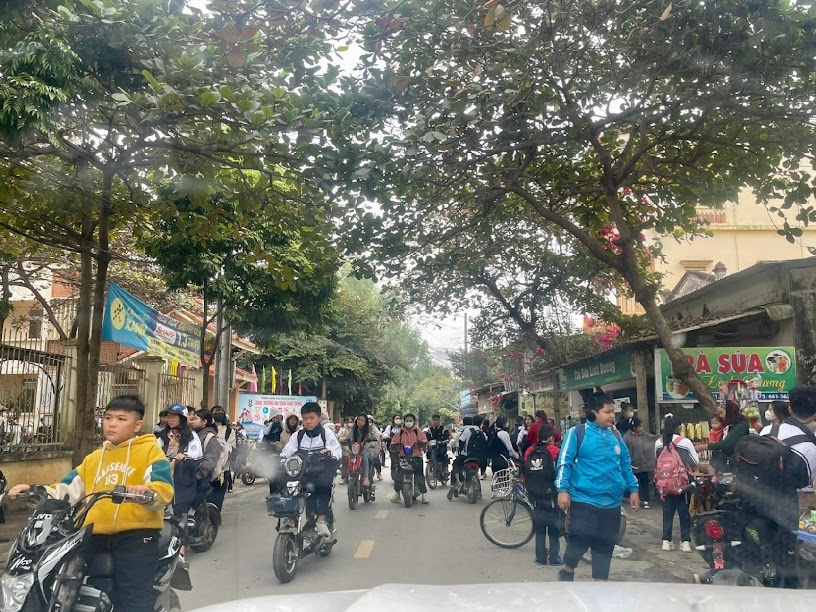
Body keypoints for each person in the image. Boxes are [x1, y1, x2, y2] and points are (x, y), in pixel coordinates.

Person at [10, 396, 174, 612]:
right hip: (93, 533)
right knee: (57, 580)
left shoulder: (150, 451)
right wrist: (35, 490)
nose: (111, 424)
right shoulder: (94, 458)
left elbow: (163, 488)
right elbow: (66, 489)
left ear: (137, 425)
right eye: (108, 418)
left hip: (136, 535)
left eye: (121, 419)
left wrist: (147, 492)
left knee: (134, 596)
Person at [555, 392, 640, 582]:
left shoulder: (615, 435)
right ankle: (568, 570)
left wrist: (633, 489)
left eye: (613, 412)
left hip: (612, 503)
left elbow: (625, 464)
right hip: (584, 499)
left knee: (605, 545)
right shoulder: (577, 433)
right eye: (607, 412)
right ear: (594, 412)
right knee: (580, 538)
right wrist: (562, 490)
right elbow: (564, 463)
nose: (612, 416)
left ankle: (600, 584)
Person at [753, 387, 816, 588]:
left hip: (754, 501)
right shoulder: (810, 447)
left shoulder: (766, 431)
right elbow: (804, 483)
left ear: (789, 408)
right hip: (785, 510)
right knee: (786, 559)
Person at [279, 401, 342, 538]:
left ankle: (321, 520)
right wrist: (281, 459)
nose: (308, 422)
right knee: (285, 483)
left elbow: (337, 451)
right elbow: (287, 451)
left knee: (324, 483)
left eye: (311, 418)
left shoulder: (327, 434)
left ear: (319, 418)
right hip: (302, 472)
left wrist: (329, 453)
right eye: (305, 418)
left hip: (321, 471)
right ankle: (290, 518)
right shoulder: (298, 436)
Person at [655, 415, 699, 552]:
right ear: (678, 427)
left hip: (664, 484)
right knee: (684, 511)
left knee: (667, 512)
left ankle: (666, 541)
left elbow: (656, 461)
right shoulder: (684, 442)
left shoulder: (658, 442)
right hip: (682, 484)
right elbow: (695, 462)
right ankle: (685, 541)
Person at [525, 424, 561, 566]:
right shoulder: (555, 451)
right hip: (551, 494)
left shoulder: (529, 451)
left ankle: (540, 557)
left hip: (535, 494)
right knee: (553, 527)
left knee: (539, 527)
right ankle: (554, 557)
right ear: (551, 438)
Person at [190, 409, 229, 512]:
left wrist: (198, 474)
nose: (193, 421)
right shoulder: (193, 435)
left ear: (204, 422)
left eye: (196, 419)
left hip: (202, 477)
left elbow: (210, 461)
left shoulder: (210, 438)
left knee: (194, 507)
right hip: (190, 474)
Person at [694, 400, 750, 472]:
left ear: (729, 412)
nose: (720, 416)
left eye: (721, 413)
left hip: (738, 466)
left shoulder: (740, 426)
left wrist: (704, 447)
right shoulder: (728, 426)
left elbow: (726, 443)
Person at [389, 413, 429, 504]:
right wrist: (395, 445)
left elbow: (424, 439)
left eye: (410, 421)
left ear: (414, 421)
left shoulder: (417, 431)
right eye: (407, 421)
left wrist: (422, 443)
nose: (408, 422)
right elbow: (394, 441)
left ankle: (424, 494)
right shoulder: (401, 432)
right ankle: (397, 494)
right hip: (403, 456)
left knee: (419, 475)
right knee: (399, 474)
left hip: (416, 456)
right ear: (404, 422)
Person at [623, 417, 659, 509]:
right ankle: (634, 500)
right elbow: (624, 452)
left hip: (643, 465)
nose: (642, 428)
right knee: (634, 484)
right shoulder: (626, 437)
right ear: (634, 428)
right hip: (633, 465)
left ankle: (645, 500)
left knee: (644, 483)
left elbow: (652, 438)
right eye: (640, 427)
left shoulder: (643, 434)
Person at [348, 414, 380, 487]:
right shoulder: (353, 429)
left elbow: (375, 439)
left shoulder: (370, 430)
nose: (359, 422)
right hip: (356, 450)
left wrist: (370, 440)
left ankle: (366, 478)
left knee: (363, 454)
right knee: (350, 456)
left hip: (369, 450)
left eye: (362, 420)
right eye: (358, 420)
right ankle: (351, 473)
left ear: (365, 422)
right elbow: (349, 438)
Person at [427, 414, 451, 480]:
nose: (435, 421)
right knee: (429, 453)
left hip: (441, 446)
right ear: (432, 421)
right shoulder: (430, 430)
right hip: (433, 447)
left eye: (437, 420)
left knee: (442, 454)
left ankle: (445, 469)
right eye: (434, 420)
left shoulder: (444, 429)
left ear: (440, 421)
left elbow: (448, 436)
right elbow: (426, 438)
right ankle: (431, 467)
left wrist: (446, 440)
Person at [338, 416, 355, 484]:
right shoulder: (343, 430)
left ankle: (351, 476)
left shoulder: (355, 430)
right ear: (346, 422)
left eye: (351, 422)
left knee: (352, 463)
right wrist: (345, 440)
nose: (350, 423)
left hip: (353, 448)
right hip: (345, 448)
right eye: (349, 422)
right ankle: (343, 477)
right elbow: (339, 438)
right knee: (345, 463)